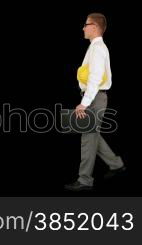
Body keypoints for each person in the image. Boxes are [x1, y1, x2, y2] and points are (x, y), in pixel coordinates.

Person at [65, 13, 126, 191]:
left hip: (94, 98)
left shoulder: (98, 48)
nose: (83, 28)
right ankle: (116, 164)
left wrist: (84, 103)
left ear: (94, 26)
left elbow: (95, 78)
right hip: (95, 97)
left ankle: (84, 180)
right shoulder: (95, 47)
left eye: (85, 24)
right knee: (93, 135)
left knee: (88, 138)